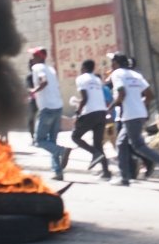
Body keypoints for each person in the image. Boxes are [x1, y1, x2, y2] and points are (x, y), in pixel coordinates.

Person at [108, 53, 159, 186]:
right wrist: (141, 107)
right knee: (122, 144)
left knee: (138, 146)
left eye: (112, 62)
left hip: (130, 115)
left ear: (116, 63)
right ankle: (124, 177)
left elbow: (122, 93)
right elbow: (149, 95)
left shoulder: (117, 74)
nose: (111, 64)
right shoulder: (135, 74)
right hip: (138, 113)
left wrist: (109, 108)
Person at [28, 47, 70, 180]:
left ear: (40, 57)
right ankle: (58, 172)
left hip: (47, 109)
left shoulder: (38, 67)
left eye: (34, 56)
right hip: (57, 107)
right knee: (52, 141)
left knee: (39, 140)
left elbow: (44, 81)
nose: (32, 59)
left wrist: (33, 91)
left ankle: (63, 151)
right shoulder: (51, 69)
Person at [72, 59, 111, 179]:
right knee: (98, 143)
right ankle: (106, 172)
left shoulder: (81, 78)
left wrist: (78, 112)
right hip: (101, 112)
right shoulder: (97, 79)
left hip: (90, 112)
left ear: (83, 68)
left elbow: (85, 98)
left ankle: (95, 153)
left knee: (75, 136)